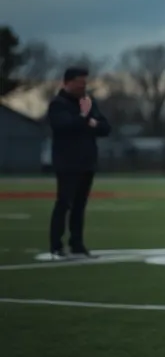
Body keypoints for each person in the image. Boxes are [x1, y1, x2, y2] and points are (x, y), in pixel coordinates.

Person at [46, 67, 111, 259]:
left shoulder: (89, 103)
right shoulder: (58, 104)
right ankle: (56, 245)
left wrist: (92, 122)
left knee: (80, 205)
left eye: (85, 82)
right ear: (67, 82)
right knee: (64, 202)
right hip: (67, 161)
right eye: (80, 82)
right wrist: (84, 118)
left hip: (87, 161)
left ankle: (77, 244)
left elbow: (105, 127)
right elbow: (63, 126)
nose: (83, 86)